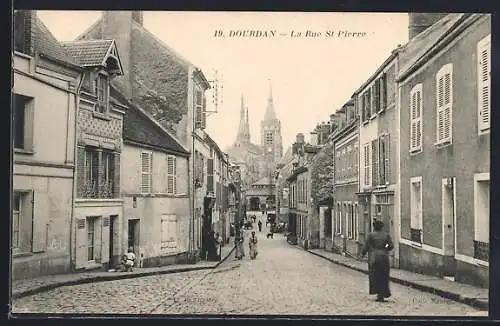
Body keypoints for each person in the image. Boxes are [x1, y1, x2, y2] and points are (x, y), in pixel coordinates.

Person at [358, 219, 394, 302]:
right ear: (382, 227)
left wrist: (362, 255)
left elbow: (366, 246)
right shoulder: (386, 235)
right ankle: (383, 293)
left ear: (374, 227)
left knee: (375, 276)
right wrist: (385, 248)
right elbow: (391, 245)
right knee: (384, 276)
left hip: (374, 257)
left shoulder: (371, 235)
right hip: (384, 257)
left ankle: (378, 294)